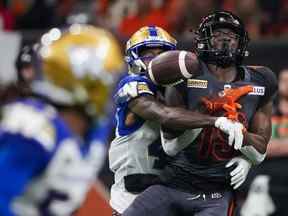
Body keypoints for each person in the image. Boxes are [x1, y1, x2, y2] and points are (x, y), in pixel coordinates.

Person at [123, 11, 278, 216]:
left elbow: (260, 150)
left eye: (231, 36)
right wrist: (213, 120)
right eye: (218, 34)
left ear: (241, 42)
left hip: (216, 193)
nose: (225, 39)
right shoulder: (186, 72)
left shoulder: (260, 80)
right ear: (204, 40)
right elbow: (170, 144)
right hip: (174, 183)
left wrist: (244, 149)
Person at [0, 25, 123, 216]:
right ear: (88, 84)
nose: (112, 90)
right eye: (108, 81)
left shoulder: (94, 132)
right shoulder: (33, 129)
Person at [241, 68, 288, 216]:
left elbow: (263, 144)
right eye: (285, 81)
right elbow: (254, 145)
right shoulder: (265, 112)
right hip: (263, 179)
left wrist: (269, 145)